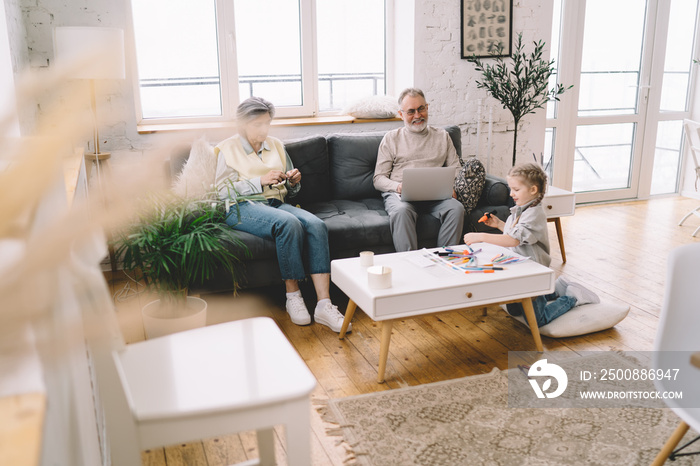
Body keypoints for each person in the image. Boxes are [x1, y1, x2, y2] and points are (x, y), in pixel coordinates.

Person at [214, 96, 350, 333]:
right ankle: (293, 295)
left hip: (276, 202)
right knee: (288, 223)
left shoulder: (276, 145)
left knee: (317, 225)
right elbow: (221, 192)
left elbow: (291, 190)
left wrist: (294, 181)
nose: (264, 129)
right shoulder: (226, 148)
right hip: (241, 206)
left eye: (267, 123)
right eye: (258, 124)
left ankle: (324, 304)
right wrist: (259, 181)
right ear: (243, 124)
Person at [463, 163, 599, 327]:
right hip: (519, 266)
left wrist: (482, 236)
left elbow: (514, 240)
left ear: (533, 190)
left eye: (516, 189)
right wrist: (499, 224)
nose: (511, 193)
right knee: (514, 310)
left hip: (533, 270)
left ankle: (573, 297)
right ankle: (556, 289)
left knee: (538, 319)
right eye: (510, 189)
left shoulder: (534, 213)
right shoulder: (520, 208)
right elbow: (514, 232)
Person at [373, 88, 465, 252]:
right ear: (401, 114)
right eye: (411, 111)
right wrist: (398, 186)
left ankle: (443, 258)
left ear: (427, 107)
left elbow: (456, 169)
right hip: (402, 196)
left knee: (456, 208)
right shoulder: (391, 138)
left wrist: (452, 188)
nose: (417, 115)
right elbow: (378, 179)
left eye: (421, 109)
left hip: (436, 196)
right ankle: (411, 264)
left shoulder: (442, 136)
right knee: (401, 212)